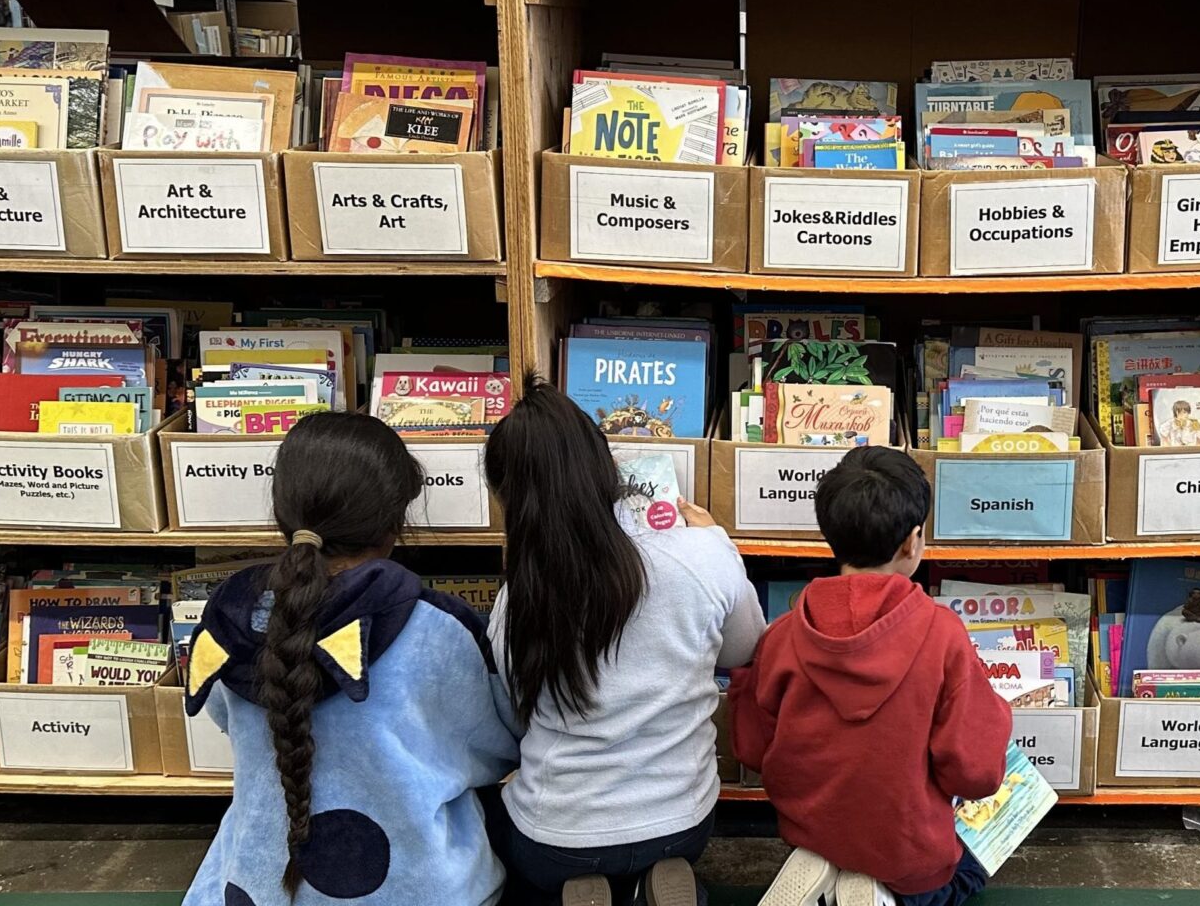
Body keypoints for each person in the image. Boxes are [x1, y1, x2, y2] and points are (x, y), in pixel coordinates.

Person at [182, 412, 520, 906]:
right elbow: (497, 745)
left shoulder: (229, 621)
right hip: (422, 888)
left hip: (259, 885)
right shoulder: (437, 627)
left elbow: (223, 717)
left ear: (283, 511)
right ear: (393, 523)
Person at [486, 380, 765, 906]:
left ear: (508, 500)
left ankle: (582, 888)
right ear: (607, 467)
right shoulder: (699, 555)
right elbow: (743, 650)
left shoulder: (513, 602)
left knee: (505, 834)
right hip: (682, 820)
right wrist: (717, 540)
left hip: (557, 834)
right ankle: (649, 884)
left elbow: (518, 712)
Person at [732, 447, 1012, 906]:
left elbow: (753, 749)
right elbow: (975, 774)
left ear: (828, 533)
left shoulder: (781, 636)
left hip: (812, 826)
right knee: (971, 868)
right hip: (909, 850)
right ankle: (883, 893)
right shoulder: (943, 635)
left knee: (842, 827)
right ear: (913, 541)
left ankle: (833, 866)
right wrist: (995, 713)